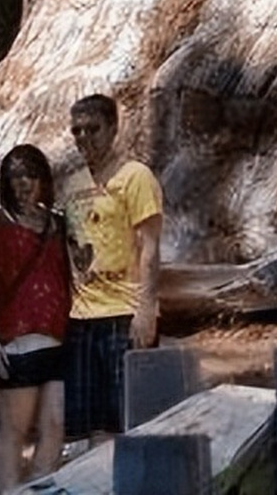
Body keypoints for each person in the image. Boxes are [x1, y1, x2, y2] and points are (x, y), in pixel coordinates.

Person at [61, 93, 164, 442]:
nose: (84, 138)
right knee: (92, 425)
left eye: (93, 129)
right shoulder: (72, 185)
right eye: (77, 131)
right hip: (81, 316)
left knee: (130, 418)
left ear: (114, 128)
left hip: (124, 312)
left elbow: (149, 245)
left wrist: (146, 310)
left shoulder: (135, 177)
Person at [0, 144, 71, 488]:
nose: (23, 183)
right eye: (14, 176)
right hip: (17, 343)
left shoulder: (58, 224)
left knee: (56, 427)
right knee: (14, 431)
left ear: (44, 179)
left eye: (30, 174)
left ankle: (39, 487)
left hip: (58, 339)